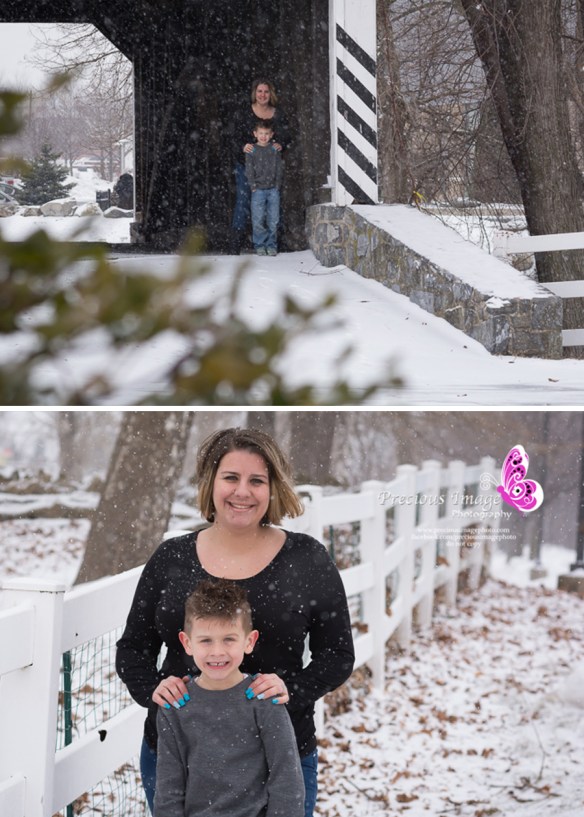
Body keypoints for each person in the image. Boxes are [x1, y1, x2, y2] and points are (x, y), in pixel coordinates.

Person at [116, 426, 355, 817]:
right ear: (212, 482)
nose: (242, 492)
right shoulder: (172, 559)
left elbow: (338, 654)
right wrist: (152, 690)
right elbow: (133, 648)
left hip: (279, 761)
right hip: (180, 759)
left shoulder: (306, 559)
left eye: (256, 480)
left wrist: (291, 687)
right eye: (231, 477)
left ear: (272, 488)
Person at [154, 578, 305, 817]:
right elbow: (168, 788)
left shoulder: (264, 700)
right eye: (205, 640)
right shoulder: (175, 707)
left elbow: (286, 778)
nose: (217, 652)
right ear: (187, 642)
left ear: (249, 641)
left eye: (229, 639)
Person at [230, 79, 290, 254]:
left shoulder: (278, 115)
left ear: (271, 94)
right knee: (243, 201)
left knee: (274, 203)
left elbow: (287, 135)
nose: (262, 95)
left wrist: (281, 144)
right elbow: (234, 136)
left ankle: (276, 242)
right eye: (259, 91)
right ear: (254, 93)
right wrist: (242, 146)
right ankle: (236, 243)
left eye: (266, 91)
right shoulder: (244, 113)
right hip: (246, 166)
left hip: (271, 168)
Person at [246, 120, 283, 256]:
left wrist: (278, 184)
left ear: (271, 134)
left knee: (273, 220)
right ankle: (260, 245)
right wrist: (253, 185)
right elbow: (249, 169)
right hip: (258, 190)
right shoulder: (251, 150)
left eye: (266, 133)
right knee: (258, 219)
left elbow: (279, 167)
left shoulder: (274, 149)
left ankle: (271, 245)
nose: (263, 136)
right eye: (261, 133)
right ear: (255, 134)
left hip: (273, 189)